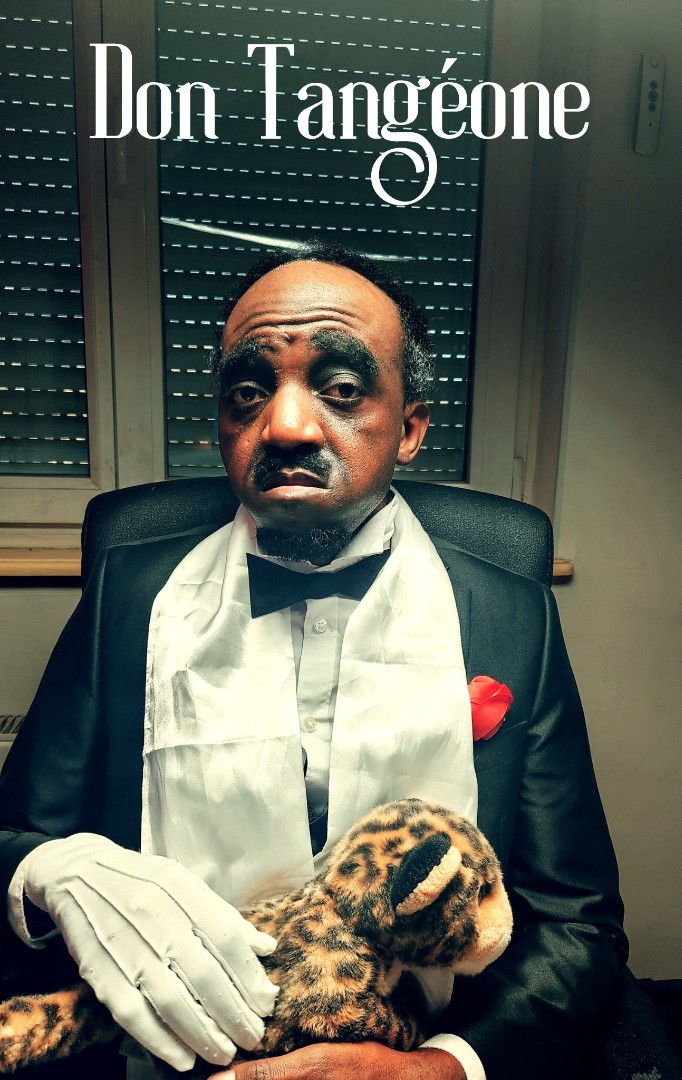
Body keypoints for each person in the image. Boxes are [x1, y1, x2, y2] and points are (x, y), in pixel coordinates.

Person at [0, 244, 626, 1080]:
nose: (286, 426)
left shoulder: (511, 614)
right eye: (248, 392)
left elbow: (579, 923)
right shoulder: (133, 594)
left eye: (340, 388)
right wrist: (52, 870)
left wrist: (441, 1069)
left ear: (410, 428)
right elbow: (15, 840)